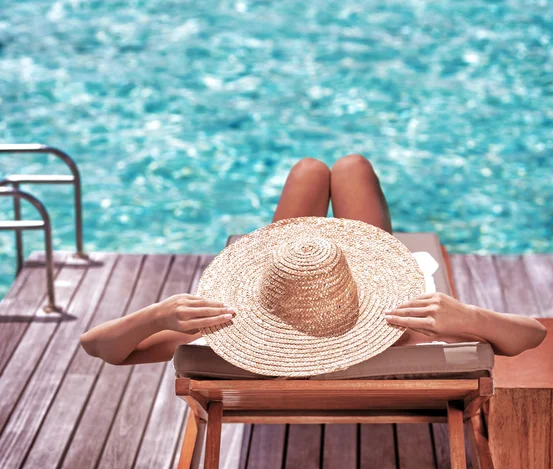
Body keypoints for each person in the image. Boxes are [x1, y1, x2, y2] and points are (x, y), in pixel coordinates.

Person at [80, 155, 547, 366]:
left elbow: (101, 348)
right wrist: (468, 316)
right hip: (352, 298)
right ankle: (330, 221)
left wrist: (158, 314)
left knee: (309, 170)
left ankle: (305, 255)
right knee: (351, 168)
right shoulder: (405, 327)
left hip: (293, 297)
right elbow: (532, 335)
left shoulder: (227, 331)